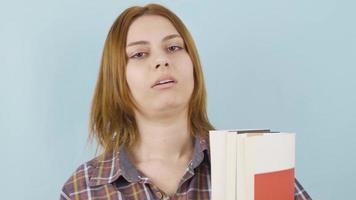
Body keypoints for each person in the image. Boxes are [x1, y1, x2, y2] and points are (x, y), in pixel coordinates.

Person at [60, 3, 312, 200]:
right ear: (117, 79)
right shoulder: (84, 189)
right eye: (139, 54)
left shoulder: (256, 165)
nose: (162, 60)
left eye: (173, 48)